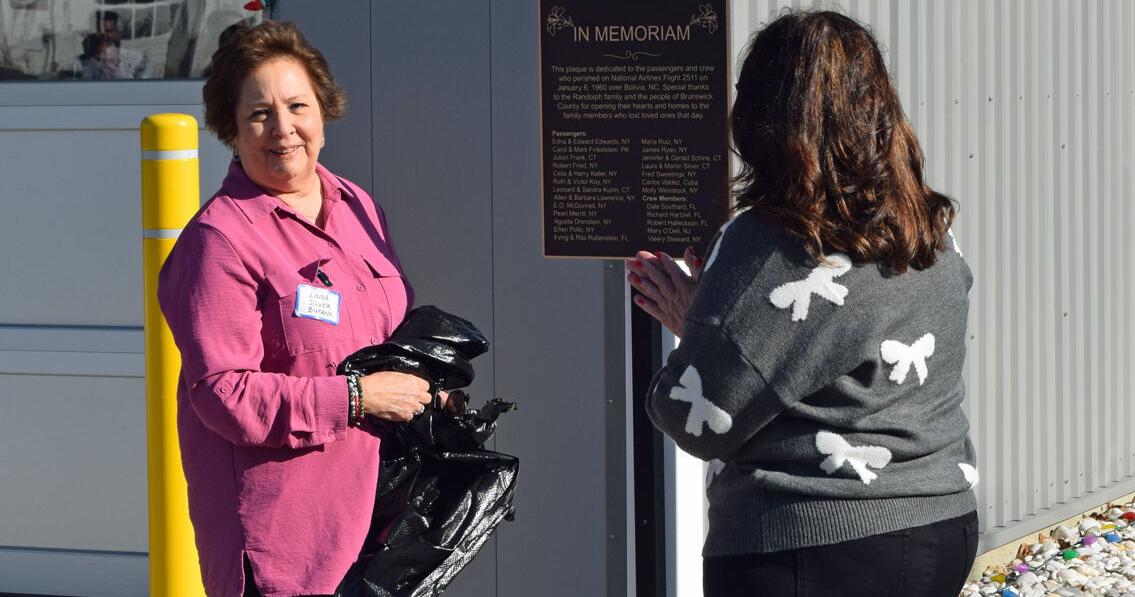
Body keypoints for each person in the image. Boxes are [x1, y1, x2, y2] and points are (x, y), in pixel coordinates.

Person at [628, 10, 979, 596]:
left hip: (810, 542)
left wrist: (700, 328)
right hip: (943, 523)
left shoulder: (768, 243)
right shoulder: (928, 229)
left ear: (763, 117)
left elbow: (696, 418)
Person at [158, 21, 446, 596]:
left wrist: (425, 390)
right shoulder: (220, 240)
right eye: (259, 113)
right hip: (285, 547)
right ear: (231, 128)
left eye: (297, 106)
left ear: (323, 112)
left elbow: (382, 337)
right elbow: (223, 394)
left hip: (377, 526)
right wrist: (358, 397)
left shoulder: (357, 207)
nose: (282, 128)